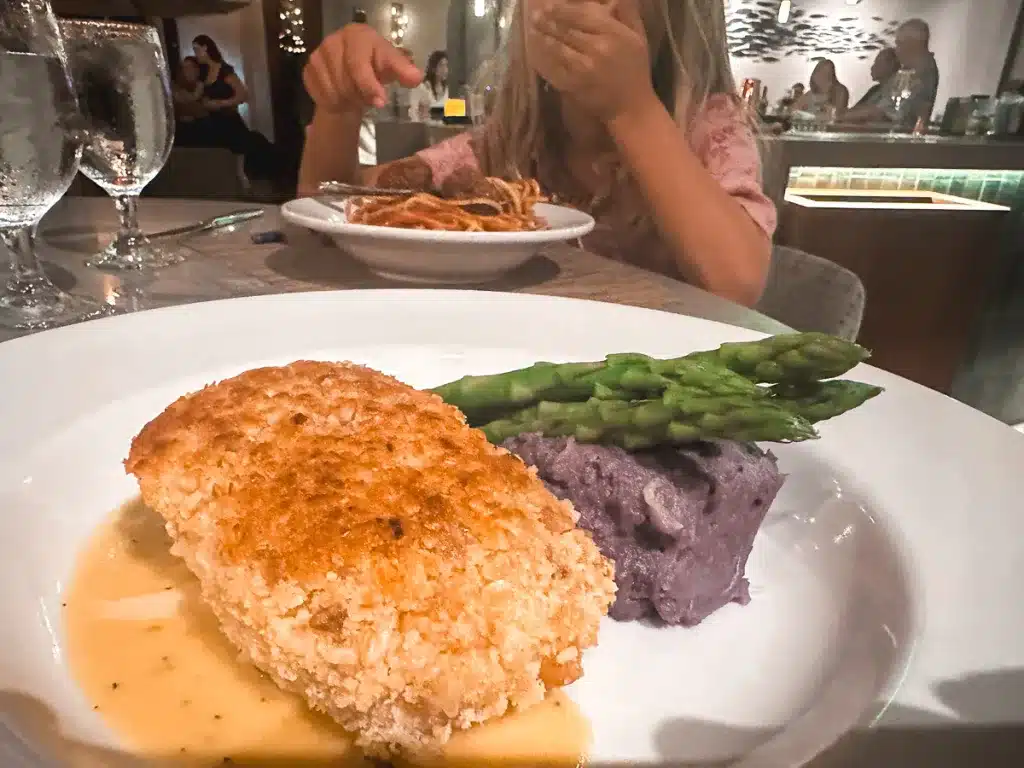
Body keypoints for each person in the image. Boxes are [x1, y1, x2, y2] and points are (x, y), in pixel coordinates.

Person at [299, 0, 776, 306]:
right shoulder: (508, 142)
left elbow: (736, 282)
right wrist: (339, 110)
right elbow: (333, 207)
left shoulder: (708, 125)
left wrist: (630, 107)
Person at [190, 34, 280, 182]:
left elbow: (243, 95)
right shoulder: (203, 73)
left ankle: (244, 180)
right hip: (212, 121)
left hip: (228, 119)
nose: (195, 53)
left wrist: (219, 103)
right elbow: (196, 95)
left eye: (197, 49)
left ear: (206, 48)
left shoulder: (224, 70)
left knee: (239, 150)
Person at [845, 19, 939, 126]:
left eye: (899, 43)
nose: (896, 50)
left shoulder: (918, 72)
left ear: (912, 43)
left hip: (893, 137)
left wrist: (838, 116)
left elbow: (887, 112)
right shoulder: (917, 69)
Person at [408, 50, 449, 121]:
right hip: (426, 129)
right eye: (441, 65)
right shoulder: (422, 87)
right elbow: (413, 112)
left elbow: (448, 114)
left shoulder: (446, 89)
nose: (444, 69)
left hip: (442, 130)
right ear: (433, 67)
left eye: (446, 65)